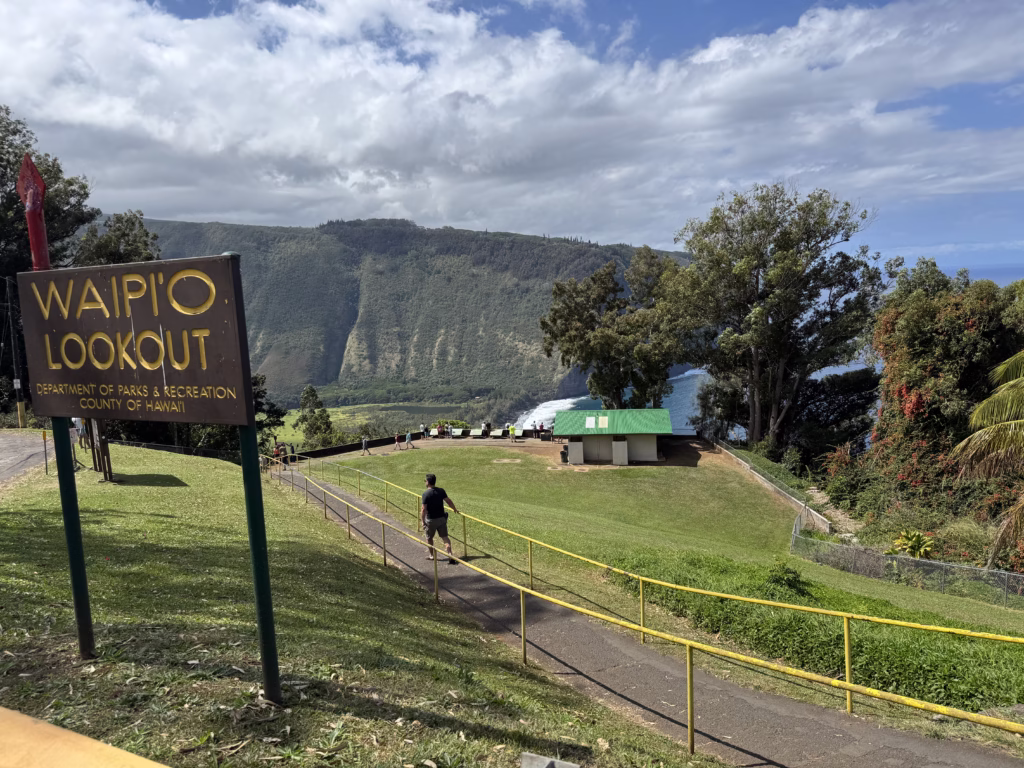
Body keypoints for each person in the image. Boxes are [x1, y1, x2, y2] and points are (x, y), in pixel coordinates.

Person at [421, 473, 458, 564]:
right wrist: (454, 509)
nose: (425, 482)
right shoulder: (441, 491)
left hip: (431, 520)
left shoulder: (426, 494)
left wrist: (422, 521)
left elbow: (423, 509)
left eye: (425, 481)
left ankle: (431, 555)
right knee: (445, 537)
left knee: (429, 538)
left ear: (428, 482)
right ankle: (450, 554)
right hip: (441, 518)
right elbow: (448, 501)